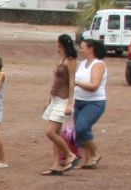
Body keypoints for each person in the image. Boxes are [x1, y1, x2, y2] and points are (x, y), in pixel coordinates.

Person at [42, 33, 79, 174]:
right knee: (56, 132)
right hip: (56, 98)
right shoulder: (62, 59)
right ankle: (56, 164)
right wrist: (49, 100)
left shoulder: (70, 60)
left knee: (50, 132)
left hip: (63, 99)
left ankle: (70, 155)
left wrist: (70, 103)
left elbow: (71, 81)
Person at [72, 36, 107, 168]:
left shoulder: (98, 64)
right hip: (80, 101)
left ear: (90, 49)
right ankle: (84, 160)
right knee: (80, 131)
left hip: (94, 102)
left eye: (82, 47)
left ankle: (95, 153)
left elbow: (94, 86)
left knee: (81, 127)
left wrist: (76, 82)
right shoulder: (82, 64)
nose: (80, 50)